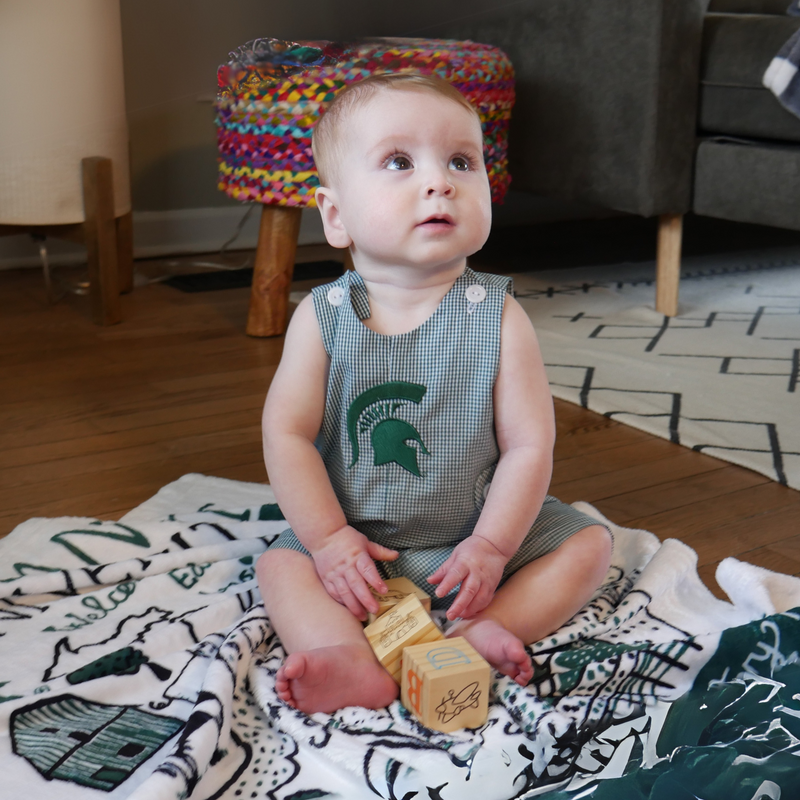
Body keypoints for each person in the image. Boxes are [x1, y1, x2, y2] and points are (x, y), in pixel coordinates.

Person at [255, 73, 612, 715]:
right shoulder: (323, 316)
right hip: (361, 545)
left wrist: (494, 547)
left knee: (590, 545)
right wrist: (330, 540)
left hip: (472, 540)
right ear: (335, 216)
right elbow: (287, 434)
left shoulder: (497, 315)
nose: (440, 180)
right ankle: (347, 655)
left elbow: (530, 445)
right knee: (281, 568)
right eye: (398, 161)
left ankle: (481, 627)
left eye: (461, 161)